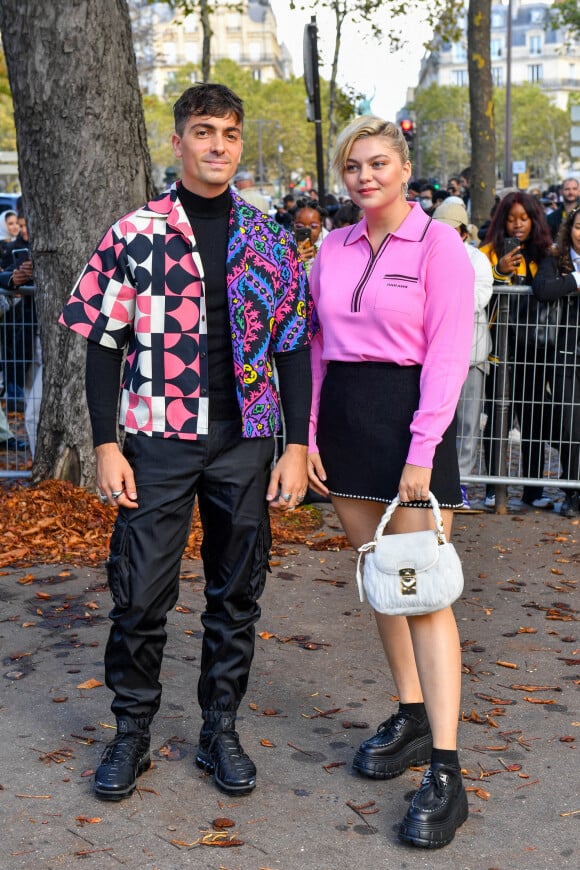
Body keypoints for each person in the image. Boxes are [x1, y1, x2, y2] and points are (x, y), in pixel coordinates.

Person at [60, 83, 312, 802]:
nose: (218, 146)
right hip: (157, 439)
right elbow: (102, 344)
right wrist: (105, 444)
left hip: (246, 441)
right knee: (139, 594)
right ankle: (131, 733)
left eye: (230, 134)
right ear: (178, 142)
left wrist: (295, 446)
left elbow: (292, 347)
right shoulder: (135, 232)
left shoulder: (268, 238)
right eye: (204, 132)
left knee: (238, 595)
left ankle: (219, 730)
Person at [307, 115, 474, 849]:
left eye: (378, 163)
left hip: (412, 426)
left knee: (424, 590)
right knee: (382, 580)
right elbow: (314, 346)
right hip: (344, 422)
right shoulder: (330, 247)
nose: (364, 176)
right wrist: (306, 434)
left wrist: (422, 450)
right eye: (352, 167)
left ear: (405, 169)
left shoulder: (442, 245)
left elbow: (448, 352)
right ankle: (407, 714)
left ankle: (446, 766)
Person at [480, 191, 554, 509]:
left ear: (534, 220)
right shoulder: (487, 253)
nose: (517, 225)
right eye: (511, 219)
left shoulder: (545, 256)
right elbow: (481, 297)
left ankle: (533, 491)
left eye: (523, 219)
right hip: (499, 351)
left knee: (533, 422)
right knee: (497, 420)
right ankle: (492, 489)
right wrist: (501, 273)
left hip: (533, 353)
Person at [433, 198, 493, 508]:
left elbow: (481, 294)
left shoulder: (477, 259)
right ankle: (439, 484)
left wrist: (445, 301)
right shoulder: (427, 254)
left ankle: (463, 485)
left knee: (469, 423)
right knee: (436, 422)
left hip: (470, 355)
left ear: (463, 233)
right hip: (434, 356)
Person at [532, 206, 580, 517]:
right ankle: (572, 492)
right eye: (578, 226)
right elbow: (542, 290)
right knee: (571, 430)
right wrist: (575, 279)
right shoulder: (556, 261)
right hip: (565, 357)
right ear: (569, 229)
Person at [293, 203, 326, 274]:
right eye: (300, 226)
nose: (307, 230)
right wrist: (293, 262)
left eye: (313, 226)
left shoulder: (326, 253)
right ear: (293, 227)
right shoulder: (284, 252)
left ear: (320, 228)